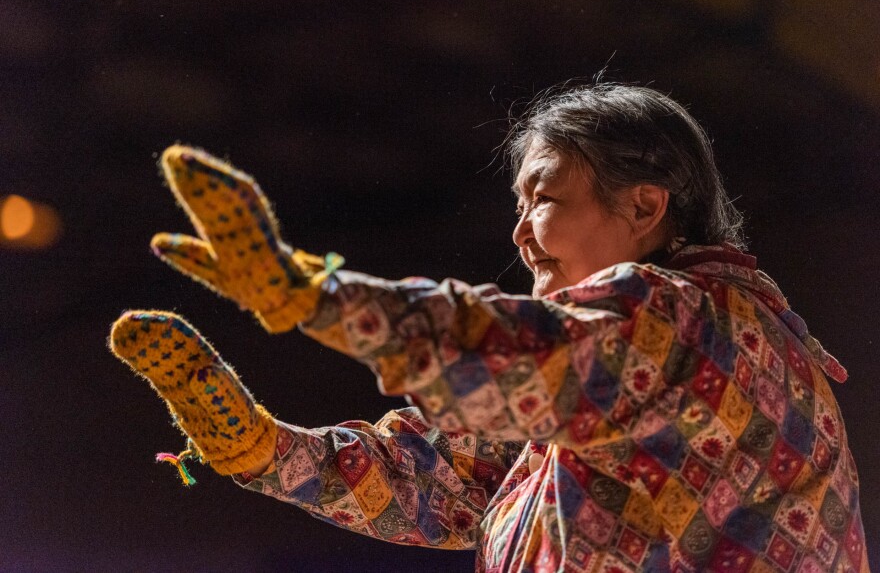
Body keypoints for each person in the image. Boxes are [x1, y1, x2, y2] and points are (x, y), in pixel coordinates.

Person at [109, 84, 868, 572]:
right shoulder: (617, 381)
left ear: (644, 205)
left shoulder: (686, 322)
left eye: (541, 197)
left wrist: (313, 294)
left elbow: (507, 348)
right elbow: (443, 478)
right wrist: (265, 448)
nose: (518, 234)